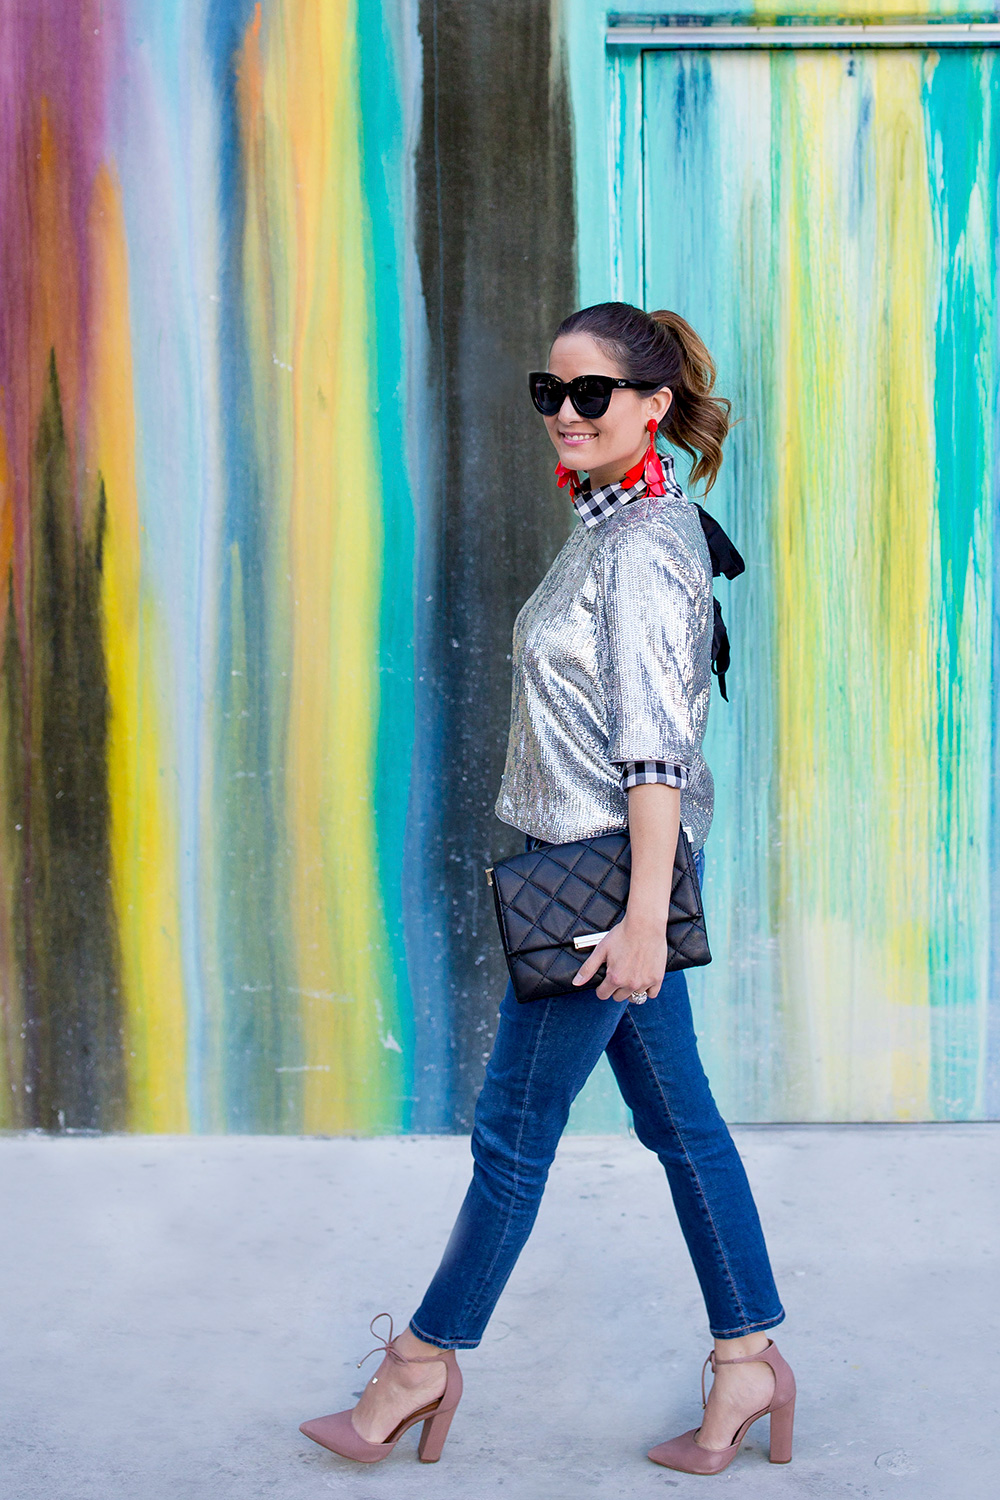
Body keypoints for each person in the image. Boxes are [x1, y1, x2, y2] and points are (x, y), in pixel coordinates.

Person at [299, 302, 795, 1474]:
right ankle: (749, 1363)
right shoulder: (606, 523)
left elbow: (655, 751)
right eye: (549, 392)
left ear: (651, 405)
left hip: (598, 884)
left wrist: (636, 919)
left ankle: (421, 1362)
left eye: (591, 396)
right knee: (681, 1125)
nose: (563, 416)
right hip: (580, 871)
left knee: (511, 1136)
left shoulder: (644, 548)